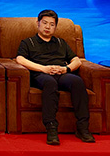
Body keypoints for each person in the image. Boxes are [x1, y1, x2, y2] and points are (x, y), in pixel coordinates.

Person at [15, 9, 95, 145]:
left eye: (52, 24)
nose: (48, 27)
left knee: (77, 81)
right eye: (45, 23)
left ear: (55, 27)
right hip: (40, 74)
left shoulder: (60, 42)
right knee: (50, 83)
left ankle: (83, 127)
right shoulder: (28, 42)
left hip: (60, 73)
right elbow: (20, 59)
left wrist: (66, 69)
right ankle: (51, 128)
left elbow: (77, 60)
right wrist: (43, 68)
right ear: (38, 23)